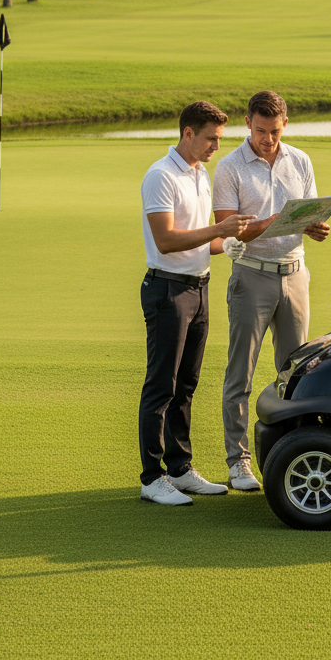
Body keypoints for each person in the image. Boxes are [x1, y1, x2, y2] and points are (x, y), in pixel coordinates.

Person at [213, 90, 330, 491]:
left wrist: (315, 228)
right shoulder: (229, 168)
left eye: (276, 131)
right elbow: (230, 228)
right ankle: (238, 462)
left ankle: (290, 453)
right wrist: (276, 220)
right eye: (262, 131)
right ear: (248, 123)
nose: (269, 140)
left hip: (296, 274)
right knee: (239, 374)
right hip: (251, 276)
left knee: (296, 374)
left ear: (285, 124)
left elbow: (309, 214)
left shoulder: (300, 160)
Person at [138, 100, 254, 506]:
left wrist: (230, 242)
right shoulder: (160, 176)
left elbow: (206, 241)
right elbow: (167, 241)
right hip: (167, 290)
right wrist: (218, 228)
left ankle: (180, 469)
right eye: (210, 139)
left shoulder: (200, 174)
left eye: (219, 140)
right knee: (161, 386)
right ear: (188, 133)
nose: (215, 147)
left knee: (186, 384)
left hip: (198, 288)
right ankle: (152, 478)